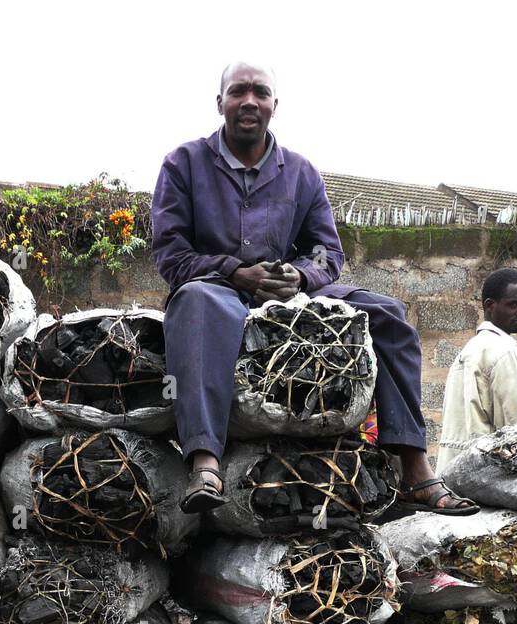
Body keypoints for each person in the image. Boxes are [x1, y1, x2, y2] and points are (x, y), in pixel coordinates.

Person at [151, 60, 478, 515]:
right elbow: (171, 254)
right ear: (220, 102)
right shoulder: (183, 164)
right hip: (217, 289)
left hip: (288, 294)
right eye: (238, 91)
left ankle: (414, 466)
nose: (250, 101)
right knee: (195, 301)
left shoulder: (301, 172)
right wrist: (233, 271)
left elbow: (328, 251)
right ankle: (206, 462)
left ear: (274, 105)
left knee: (386, 312)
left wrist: (301, 276)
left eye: (260, 93)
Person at [437, 268, 517, 471]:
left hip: (453, 475)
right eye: (514, 305)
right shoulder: (505, 352)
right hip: (487, 482)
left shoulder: (470, 350)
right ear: (490, 306)